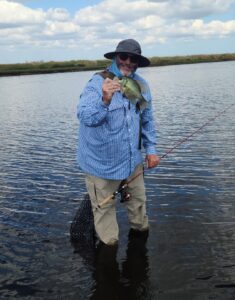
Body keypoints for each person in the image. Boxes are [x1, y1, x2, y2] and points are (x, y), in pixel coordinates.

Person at [77, 38, 160, 246]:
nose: (128, 62)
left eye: (134, 59)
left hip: (132, 162)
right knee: (109, 234)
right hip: (101, 167)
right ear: (116, 57)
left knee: (140, 216)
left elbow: (147, 118)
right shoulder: (96, 83)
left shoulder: (141, 84)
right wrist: (104, 99)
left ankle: (139, 262)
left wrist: (151, 149)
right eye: (124, 57)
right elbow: (85, 116)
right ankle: (108, 264)